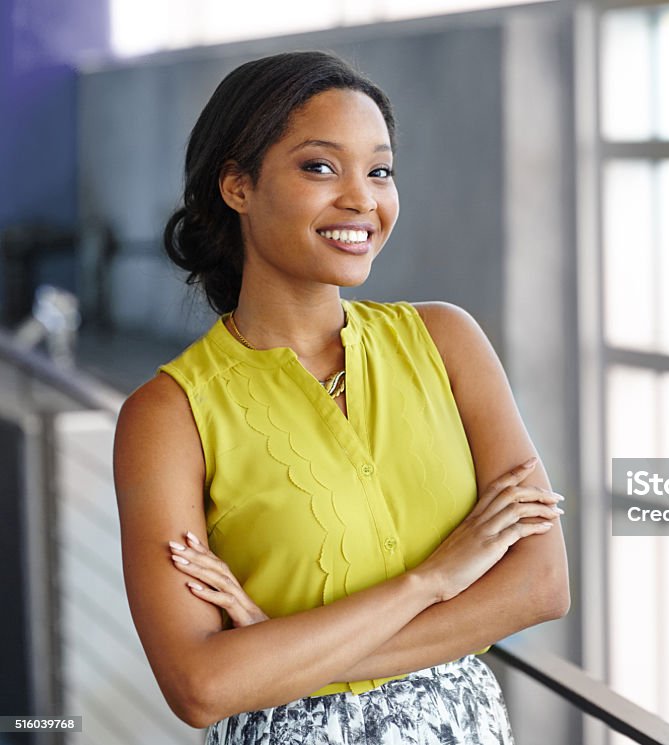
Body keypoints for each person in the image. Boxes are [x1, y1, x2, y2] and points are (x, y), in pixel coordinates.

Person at [113, 51, 570, 745]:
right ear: (237, 185)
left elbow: (540, 585)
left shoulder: (448, 342)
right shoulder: (169, 415)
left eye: (379, 170)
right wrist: (435, 579)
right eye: (320, 167)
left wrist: (281, 653)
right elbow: (201, 685)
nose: (363, 199)